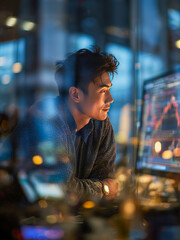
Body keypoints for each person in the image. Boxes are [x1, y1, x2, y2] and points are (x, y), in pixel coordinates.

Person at [13, 47, 120, 201]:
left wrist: (101, 189)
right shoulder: (46, 119)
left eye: (109, 90)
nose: (110, 99)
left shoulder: (101, 124)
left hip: (72, 215)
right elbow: (59, 190)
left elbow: (108, 182)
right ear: (75, 94)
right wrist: (102, 189)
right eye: (103, 91)